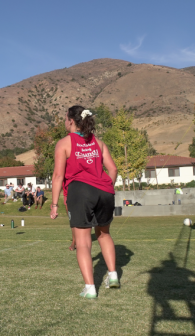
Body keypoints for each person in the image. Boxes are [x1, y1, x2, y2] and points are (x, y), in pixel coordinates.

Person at [50, 105, 119, 299]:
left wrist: (54, 205)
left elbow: (58, 176)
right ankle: (113, 276)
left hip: (80, 192)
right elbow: (112, 170)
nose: (65, 122)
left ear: (71, 120)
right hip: (105, 191)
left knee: (82, 242)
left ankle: (90, 288)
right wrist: (105, 187)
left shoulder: (64, 143)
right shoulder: (99, 142)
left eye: (65, 119)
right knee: (104, 234)